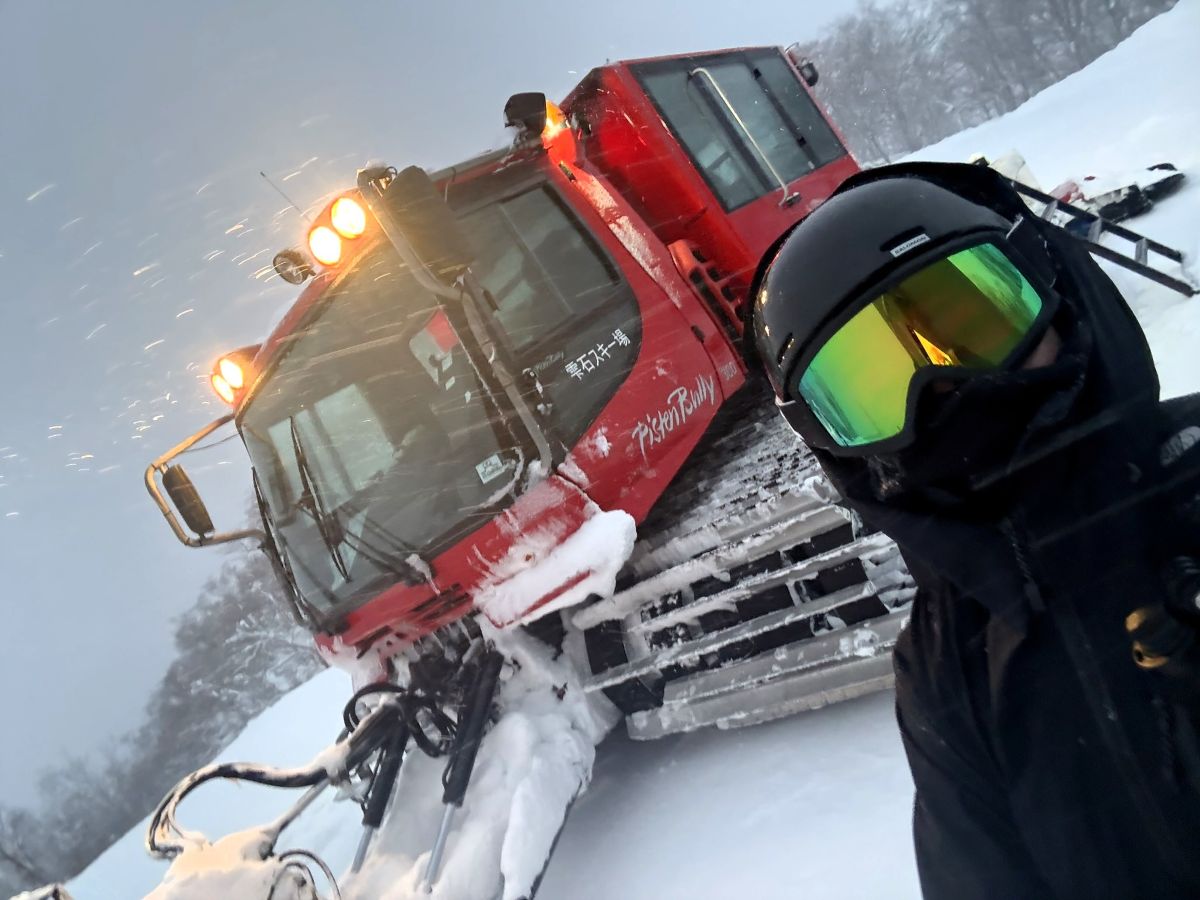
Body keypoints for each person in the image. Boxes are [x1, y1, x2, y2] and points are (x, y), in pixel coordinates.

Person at [752, 161, 1200, 898]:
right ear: (832, 443)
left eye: (974, 324)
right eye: (873, 386)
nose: (947, 386)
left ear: (1054, 295)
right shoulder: (942, 667)